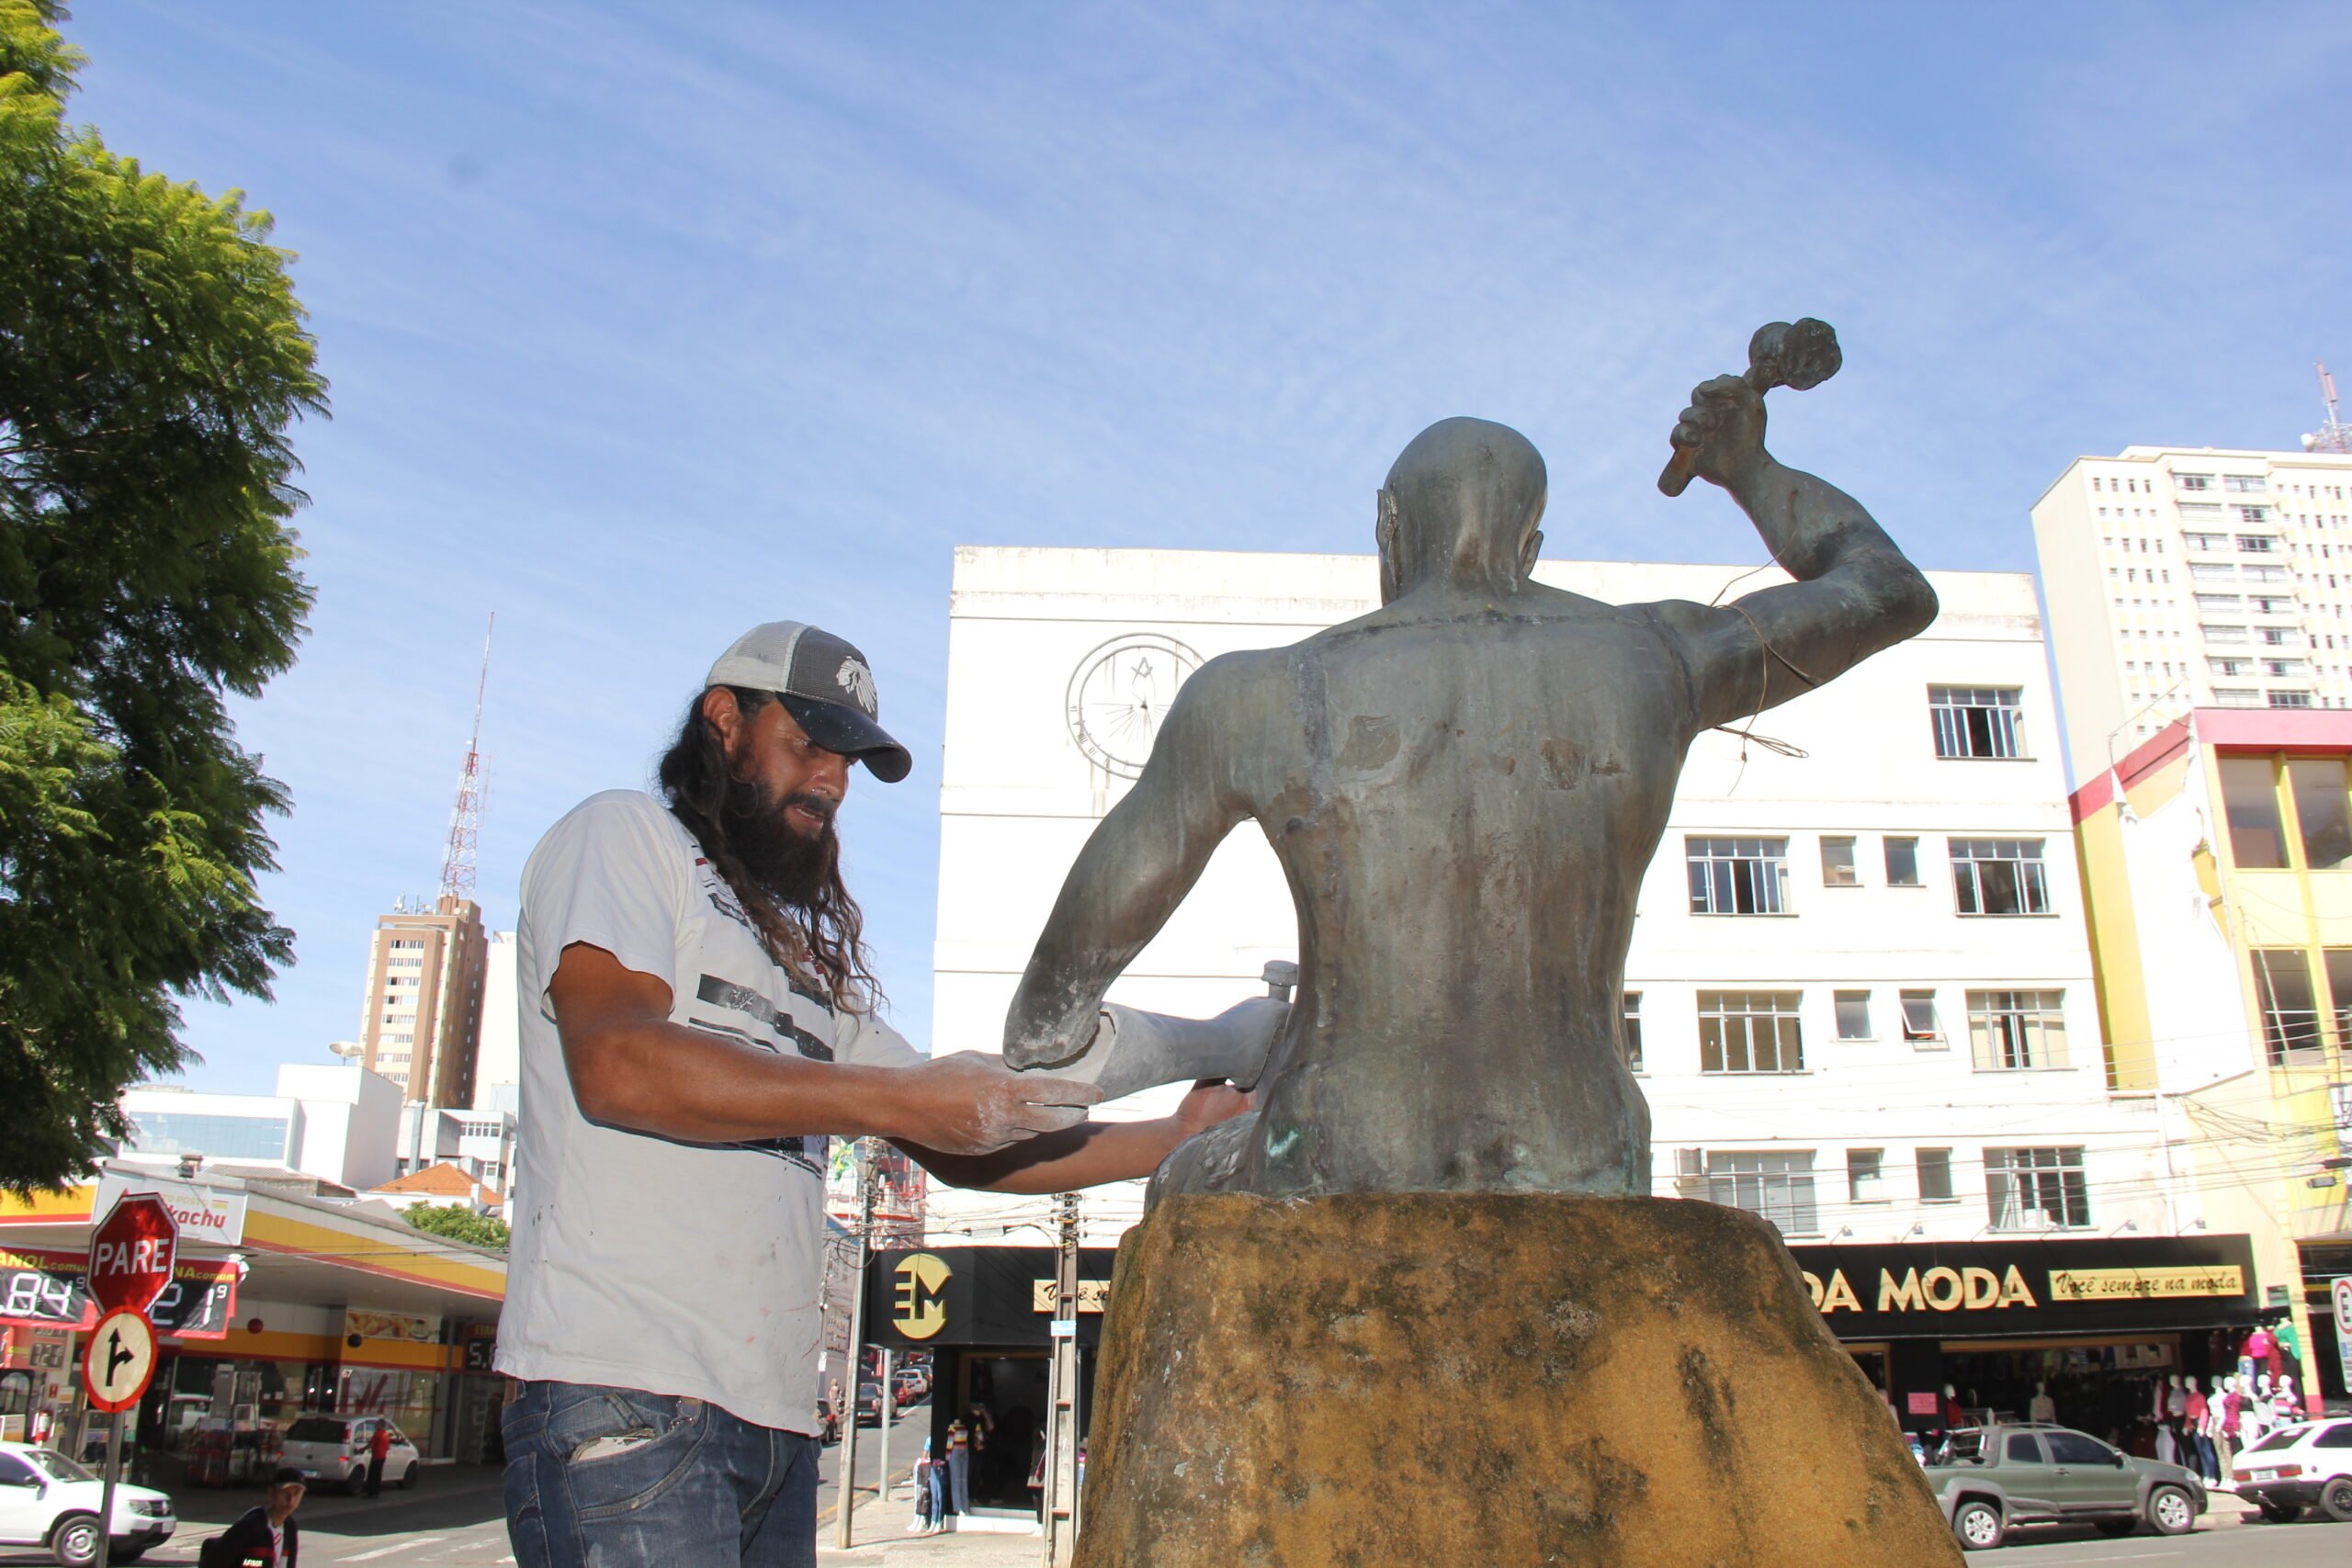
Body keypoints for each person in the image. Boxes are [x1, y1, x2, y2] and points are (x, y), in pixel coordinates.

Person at [496, 622, 1249, 1568]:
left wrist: (1179, 1133)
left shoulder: (802, 968)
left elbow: (970, 1133)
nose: (831, 780)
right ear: (721, 721)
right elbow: (618, 1066)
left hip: (773, 1422)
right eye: (806, 743)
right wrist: (895, 1103)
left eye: (847, 759)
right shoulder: (623, 836)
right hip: (623, 1398)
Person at [206, 1469, 305, 1568]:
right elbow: (213, 1561)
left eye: (296, 1493)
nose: (291, 1500)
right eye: (284, 1492)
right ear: (271, 1493)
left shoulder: (289, 1527)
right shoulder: (252, 1525)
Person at [364, 1421, 392, 1497]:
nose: (375, 1426)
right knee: (378, 1475)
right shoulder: (386, 1434)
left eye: (377, 1424)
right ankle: (376, 1492)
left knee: (372, 1475)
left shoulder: (377, 1434)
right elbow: (387, 1447)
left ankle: (371, 1493)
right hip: (382, 1456)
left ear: (380, 1425)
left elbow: (370, 1444)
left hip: (376, 1457)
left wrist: (361, 1450)